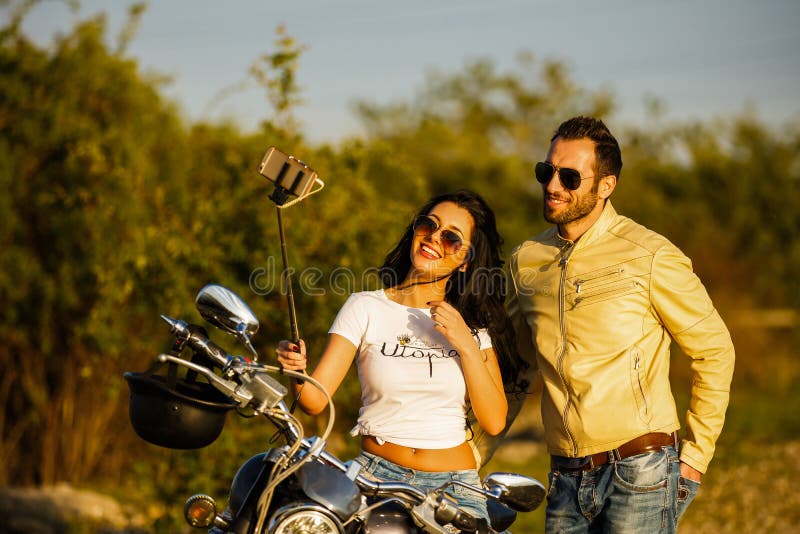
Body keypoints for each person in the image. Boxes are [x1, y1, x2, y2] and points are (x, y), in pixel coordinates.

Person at [506, 116, 735, 532]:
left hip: (640, 471)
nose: (553, 185)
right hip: (563, 476)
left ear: (606, 185)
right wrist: (473, 455)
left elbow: (714, 349)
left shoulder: (649, 254)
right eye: (547, 171)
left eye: (570, 176)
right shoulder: (526, 260)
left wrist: (695, 460)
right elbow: (514, 370)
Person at [276, 189, 525, 524]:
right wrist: (296, 370)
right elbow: (313, 401)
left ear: (466, 260)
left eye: (451, 238)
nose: (434, 238)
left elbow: (494, 420)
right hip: (374, 480)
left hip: (455, 488)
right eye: (428, 225)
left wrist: (466, 344)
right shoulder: (365, 306)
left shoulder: (473, 327)